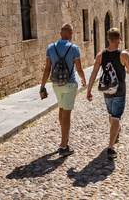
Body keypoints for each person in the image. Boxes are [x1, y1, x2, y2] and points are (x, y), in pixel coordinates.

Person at [40, 23, 86, 157]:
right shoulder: (74, 48)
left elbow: (47, 69)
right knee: (66, 114)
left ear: (60, 33)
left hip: (56, 85)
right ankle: (63, 146)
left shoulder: (50, 48)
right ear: (71, 33)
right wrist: (83, 79)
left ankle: (64, 137)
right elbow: (79, 69)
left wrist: (42, 86)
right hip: (69, 84)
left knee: (61, 109)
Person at [87, 27, 129, 158]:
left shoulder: (100, 55)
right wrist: (125, 67)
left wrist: (89, 90)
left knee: (111, 114)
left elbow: (94, 72)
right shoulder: (123, 54)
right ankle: (110, 148)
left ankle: (114, 133)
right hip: (119, 91)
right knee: (116, 117)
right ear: (119, 39)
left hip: (107, 91)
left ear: (108, 39)